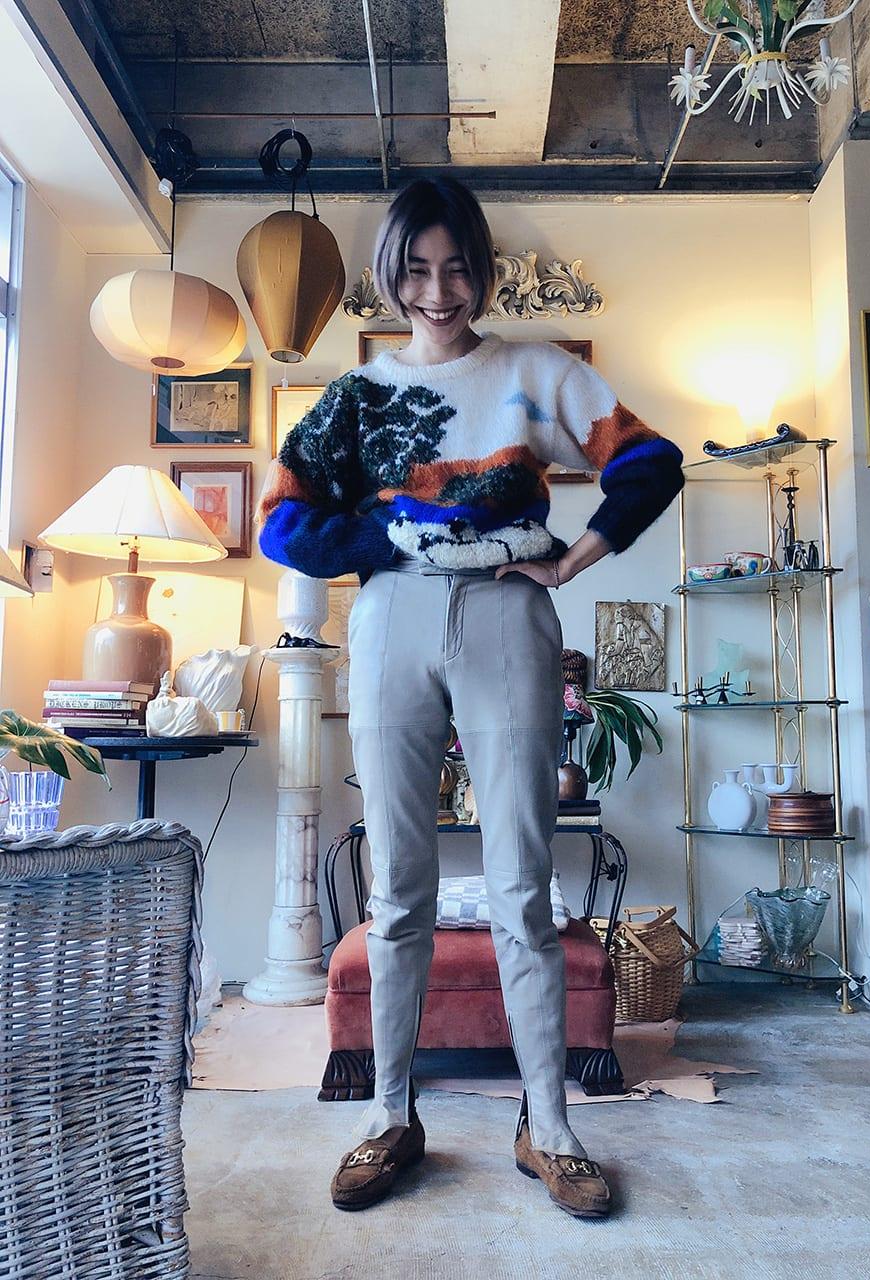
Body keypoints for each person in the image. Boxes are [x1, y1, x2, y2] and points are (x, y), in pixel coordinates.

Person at [257, 177, 684, 1219]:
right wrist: (385, 534)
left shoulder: (536, 372)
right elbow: (280, 519)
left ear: (482, 271)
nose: (438, 292)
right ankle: (389, 1116)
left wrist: (569, 562)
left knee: (523, 884)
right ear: (390, 276)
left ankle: (551, 1126)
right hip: (391, 617)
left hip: (507, 614)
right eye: (416, 270)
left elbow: (651, 464)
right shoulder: (358, 395)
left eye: (456, 269)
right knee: (399, 886)